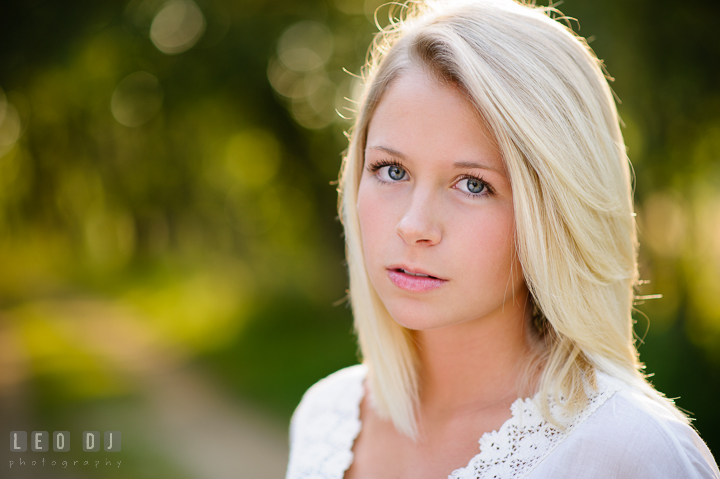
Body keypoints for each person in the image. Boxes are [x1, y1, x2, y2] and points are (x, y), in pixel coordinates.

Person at [285, 0, 720, 477]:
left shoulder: (630, 451)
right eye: (392, 170)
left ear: (555, 211)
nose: (413, 225)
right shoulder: (326, 417)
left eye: (474, 184)